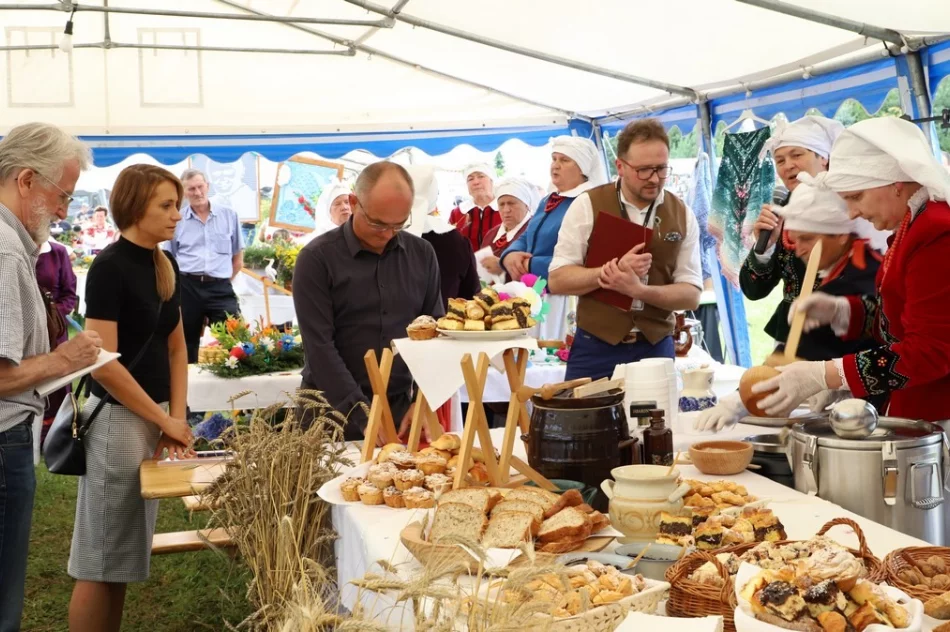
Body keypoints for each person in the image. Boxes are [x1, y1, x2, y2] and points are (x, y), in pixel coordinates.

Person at [753, 117, 950, 422]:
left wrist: (830, 374)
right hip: (917, 407)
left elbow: (932, 350)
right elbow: (901, 318)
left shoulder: (937, 233)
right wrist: (845, 311)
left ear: (895, 183)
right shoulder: (912, 225)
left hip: (938, 411)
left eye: (855, 197)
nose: (853, 212)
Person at [68, 164, 194, 632]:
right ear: (135, 206)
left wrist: (175, 418)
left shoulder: (165, 263)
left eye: (177, 204)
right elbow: (103, 362)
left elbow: (178, 346)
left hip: (154, 416)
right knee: (100, 556)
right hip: (120, 419)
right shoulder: (109, 267)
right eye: (166, 205)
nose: (176, 215)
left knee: (122, 553)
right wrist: (164, 421)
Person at [0, 122, 103, 632]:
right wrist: (68, 358)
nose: (64, 210)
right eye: (62, 194)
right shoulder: (3, 248)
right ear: (25, 180)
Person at [695, 176, 882, 431]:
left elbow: (809, 348)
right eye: (795, 239)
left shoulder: (858, 274)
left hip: (875, 415)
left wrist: (737, 402)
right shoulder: (845, 268)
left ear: (839, 235)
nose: (799, 250)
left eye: (807, 239)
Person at [293, 162, 444, 441]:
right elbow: (319, 348)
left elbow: (434, 337)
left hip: (399, 413)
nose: (387, 234)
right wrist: (363, 416)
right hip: (328, 416)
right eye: (377, 224)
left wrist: (422, 401)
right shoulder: (316, 259)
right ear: (353, 202)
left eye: (398, 225)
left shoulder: (422, 255)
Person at [547, 120, 702, 381]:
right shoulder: (588, 205)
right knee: (584, 421)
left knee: (657, 423)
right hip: (595, 347)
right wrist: (610, 273)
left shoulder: (682, 213)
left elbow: (691, 295)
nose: (654, 178)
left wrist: (639, 291)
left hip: (656, 347)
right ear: (620, 166)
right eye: (643, 170)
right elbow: (558, 279)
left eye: (661, 169)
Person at [739, 116, 845, 351]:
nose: (788, 165)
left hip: (843, 339)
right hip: (790, 338)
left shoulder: (851, 208)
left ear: (824, 158)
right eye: (780, 160)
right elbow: (753, 290)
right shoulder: (780, 212)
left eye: (797, 155)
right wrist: (765, 246)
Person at [503, 136, 605, 341]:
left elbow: (590, 257)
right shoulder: (548, 200)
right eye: (554, 159)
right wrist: (511, 254)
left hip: (566, 299)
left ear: (583, 168)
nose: (555, 166)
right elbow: (527, 234)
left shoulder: (590, 203)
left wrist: (533, 264)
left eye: (564, 160)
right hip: (536, 294)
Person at [163, 168, 245, 363]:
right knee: (185, 342)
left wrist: (220, 279)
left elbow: (237, 259)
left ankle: (236, 384)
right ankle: (188, 387)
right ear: (184, 193)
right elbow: (169, 258)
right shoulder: (177, 220)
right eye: (191, 189)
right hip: (187, 287)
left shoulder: (229, 216)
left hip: (220, 287)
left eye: (200, 187)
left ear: (207, 186)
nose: (197, 193)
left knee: (235, 339)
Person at [406, 164, 480, 304]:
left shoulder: (379, 236)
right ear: (434, 194)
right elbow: (470, 296)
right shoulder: (456, 241)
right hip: (444, 323)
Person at [35, 236, 79, 443]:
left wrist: (50, 318)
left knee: (57, 383)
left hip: (55, 331)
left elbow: (70, 294)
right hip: (26, 332)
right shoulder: (16, 250)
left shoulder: (57, 252)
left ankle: (56, 435)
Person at [479, 177, 538, 278]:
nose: (506, 210)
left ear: (527, 205)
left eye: (511, 203)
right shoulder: (491, 234)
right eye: (501, 204)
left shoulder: (536, 231)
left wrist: (503, 266)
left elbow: (540, 272)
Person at [449, 163, 500, 252]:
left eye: (481, 176)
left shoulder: (505, 209)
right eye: (470, 179)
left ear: (492, 181)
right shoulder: (458, 213)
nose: (476, 182)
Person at [296, 179, 352, 245]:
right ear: (328, 211)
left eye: (347, 202)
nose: (344, 207)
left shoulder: (359, 235)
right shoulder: (318, 239)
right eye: (337, 204)